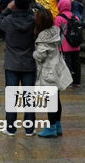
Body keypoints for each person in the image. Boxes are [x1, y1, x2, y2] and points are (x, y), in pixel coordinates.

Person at [0, 0, 36, 136]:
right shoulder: (34, 21)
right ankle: (29, 128)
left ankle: (11, 127)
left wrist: (8, 8)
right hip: (29, 63)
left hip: (11, 63)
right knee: (29, 97)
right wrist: (35, 6)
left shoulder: (8, 20)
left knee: (12, 96)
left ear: (15, 5)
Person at [33, 8, 72, 138]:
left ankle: (51, 127)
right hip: (57, 68)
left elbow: (40, 55)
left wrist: (33, 53)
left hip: (48, 72)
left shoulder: (43, 36)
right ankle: (58, 124)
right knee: (57, 99)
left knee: (50, 101)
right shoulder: (56, 30)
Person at [54, 0, 81, 87]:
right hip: (76, 45)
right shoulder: (75, 16)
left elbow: (56, 31)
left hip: (64, 45)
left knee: (66, 63)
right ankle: (76, 81)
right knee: (76, 63)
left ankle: (68, 81)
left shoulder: (59, 18)